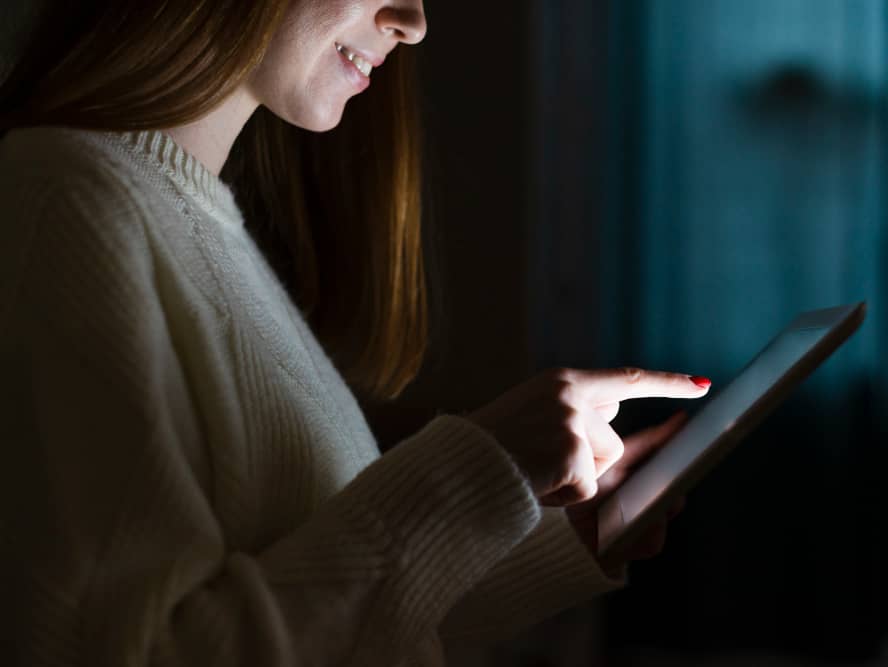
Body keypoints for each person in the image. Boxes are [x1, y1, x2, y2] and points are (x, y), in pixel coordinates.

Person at [0, 1, 711, 665]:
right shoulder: (62, 201)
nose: (413, 21)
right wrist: (481, 469)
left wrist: (558, 540)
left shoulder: (196, 223)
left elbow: (340, 622)